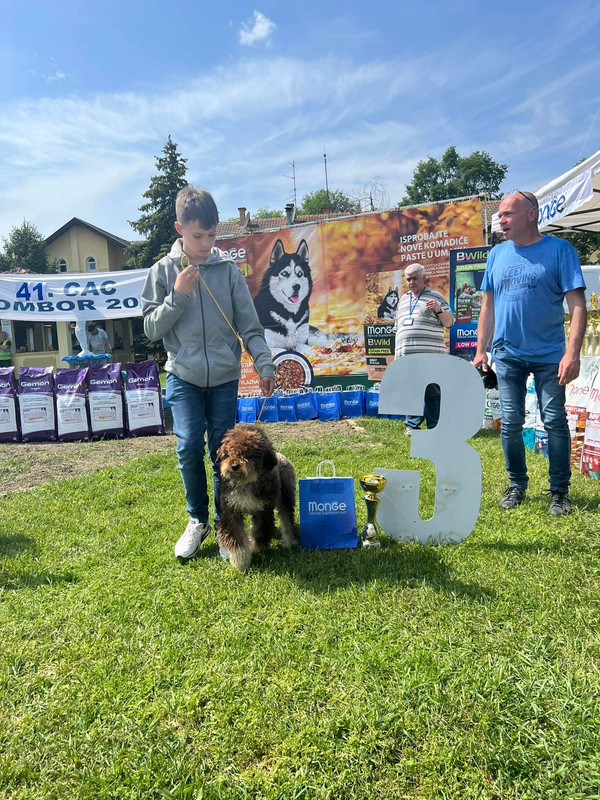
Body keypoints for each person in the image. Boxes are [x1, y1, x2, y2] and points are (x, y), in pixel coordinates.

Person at [141, 185, 275, 561]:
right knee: (186, 445)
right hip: (182, 376)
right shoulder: (163, 272)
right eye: (198, 235)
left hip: (224, 378)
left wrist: (264, 364)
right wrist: (178, 295)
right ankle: (197, 520)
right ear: (179, 228)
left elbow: (250, 327)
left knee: (222, 452)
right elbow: (151, 329)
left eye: (213, 234)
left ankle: (224, 524)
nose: (206, 243)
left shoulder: (228, 271)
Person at [474, 190, 586, 516]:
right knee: (510, 422)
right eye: (501, 215)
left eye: (508, 213)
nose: (501, 219)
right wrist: (481, 350)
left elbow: (577, 305)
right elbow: (488, 305)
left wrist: (572, 353)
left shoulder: (560, 251)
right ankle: (516, 485)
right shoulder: (496, 254)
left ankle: (560, 492)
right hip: (507, 354)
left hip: (551, 354)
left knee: (554, 421)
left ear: (531, 214)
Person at [394, 262, 454, 434]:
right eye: (408, 279)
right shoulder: (403, 300)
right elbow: (398, 328)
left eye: (414, 279)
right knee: (411, 391)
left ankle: (435, 427)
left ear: (424, 278)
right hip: (407, 356)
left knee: (432, 391)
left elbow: (449, 322)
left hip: (431, 356)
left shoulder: (435, 297)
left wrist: (438, 309)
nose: (411, 282)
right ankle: (412, 427)